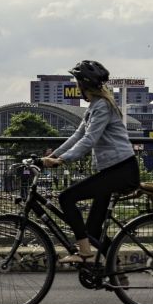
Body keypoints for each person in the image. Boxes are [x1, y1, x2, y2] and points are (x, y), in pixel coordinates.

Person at [40, 60, 139, 263]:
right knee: (93, 230)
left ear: (83, 85)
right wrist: (52, 156)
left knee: (66, 198)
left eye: (77, 83)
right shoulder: (94, 107)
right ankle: (116, 269)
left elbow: (89, 139)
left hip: (121, 171)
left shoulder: (102, 106)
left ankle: (84, 252)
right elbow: (77, 136)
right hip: (112, 171)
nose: (77, 87)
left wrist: (62, 160)